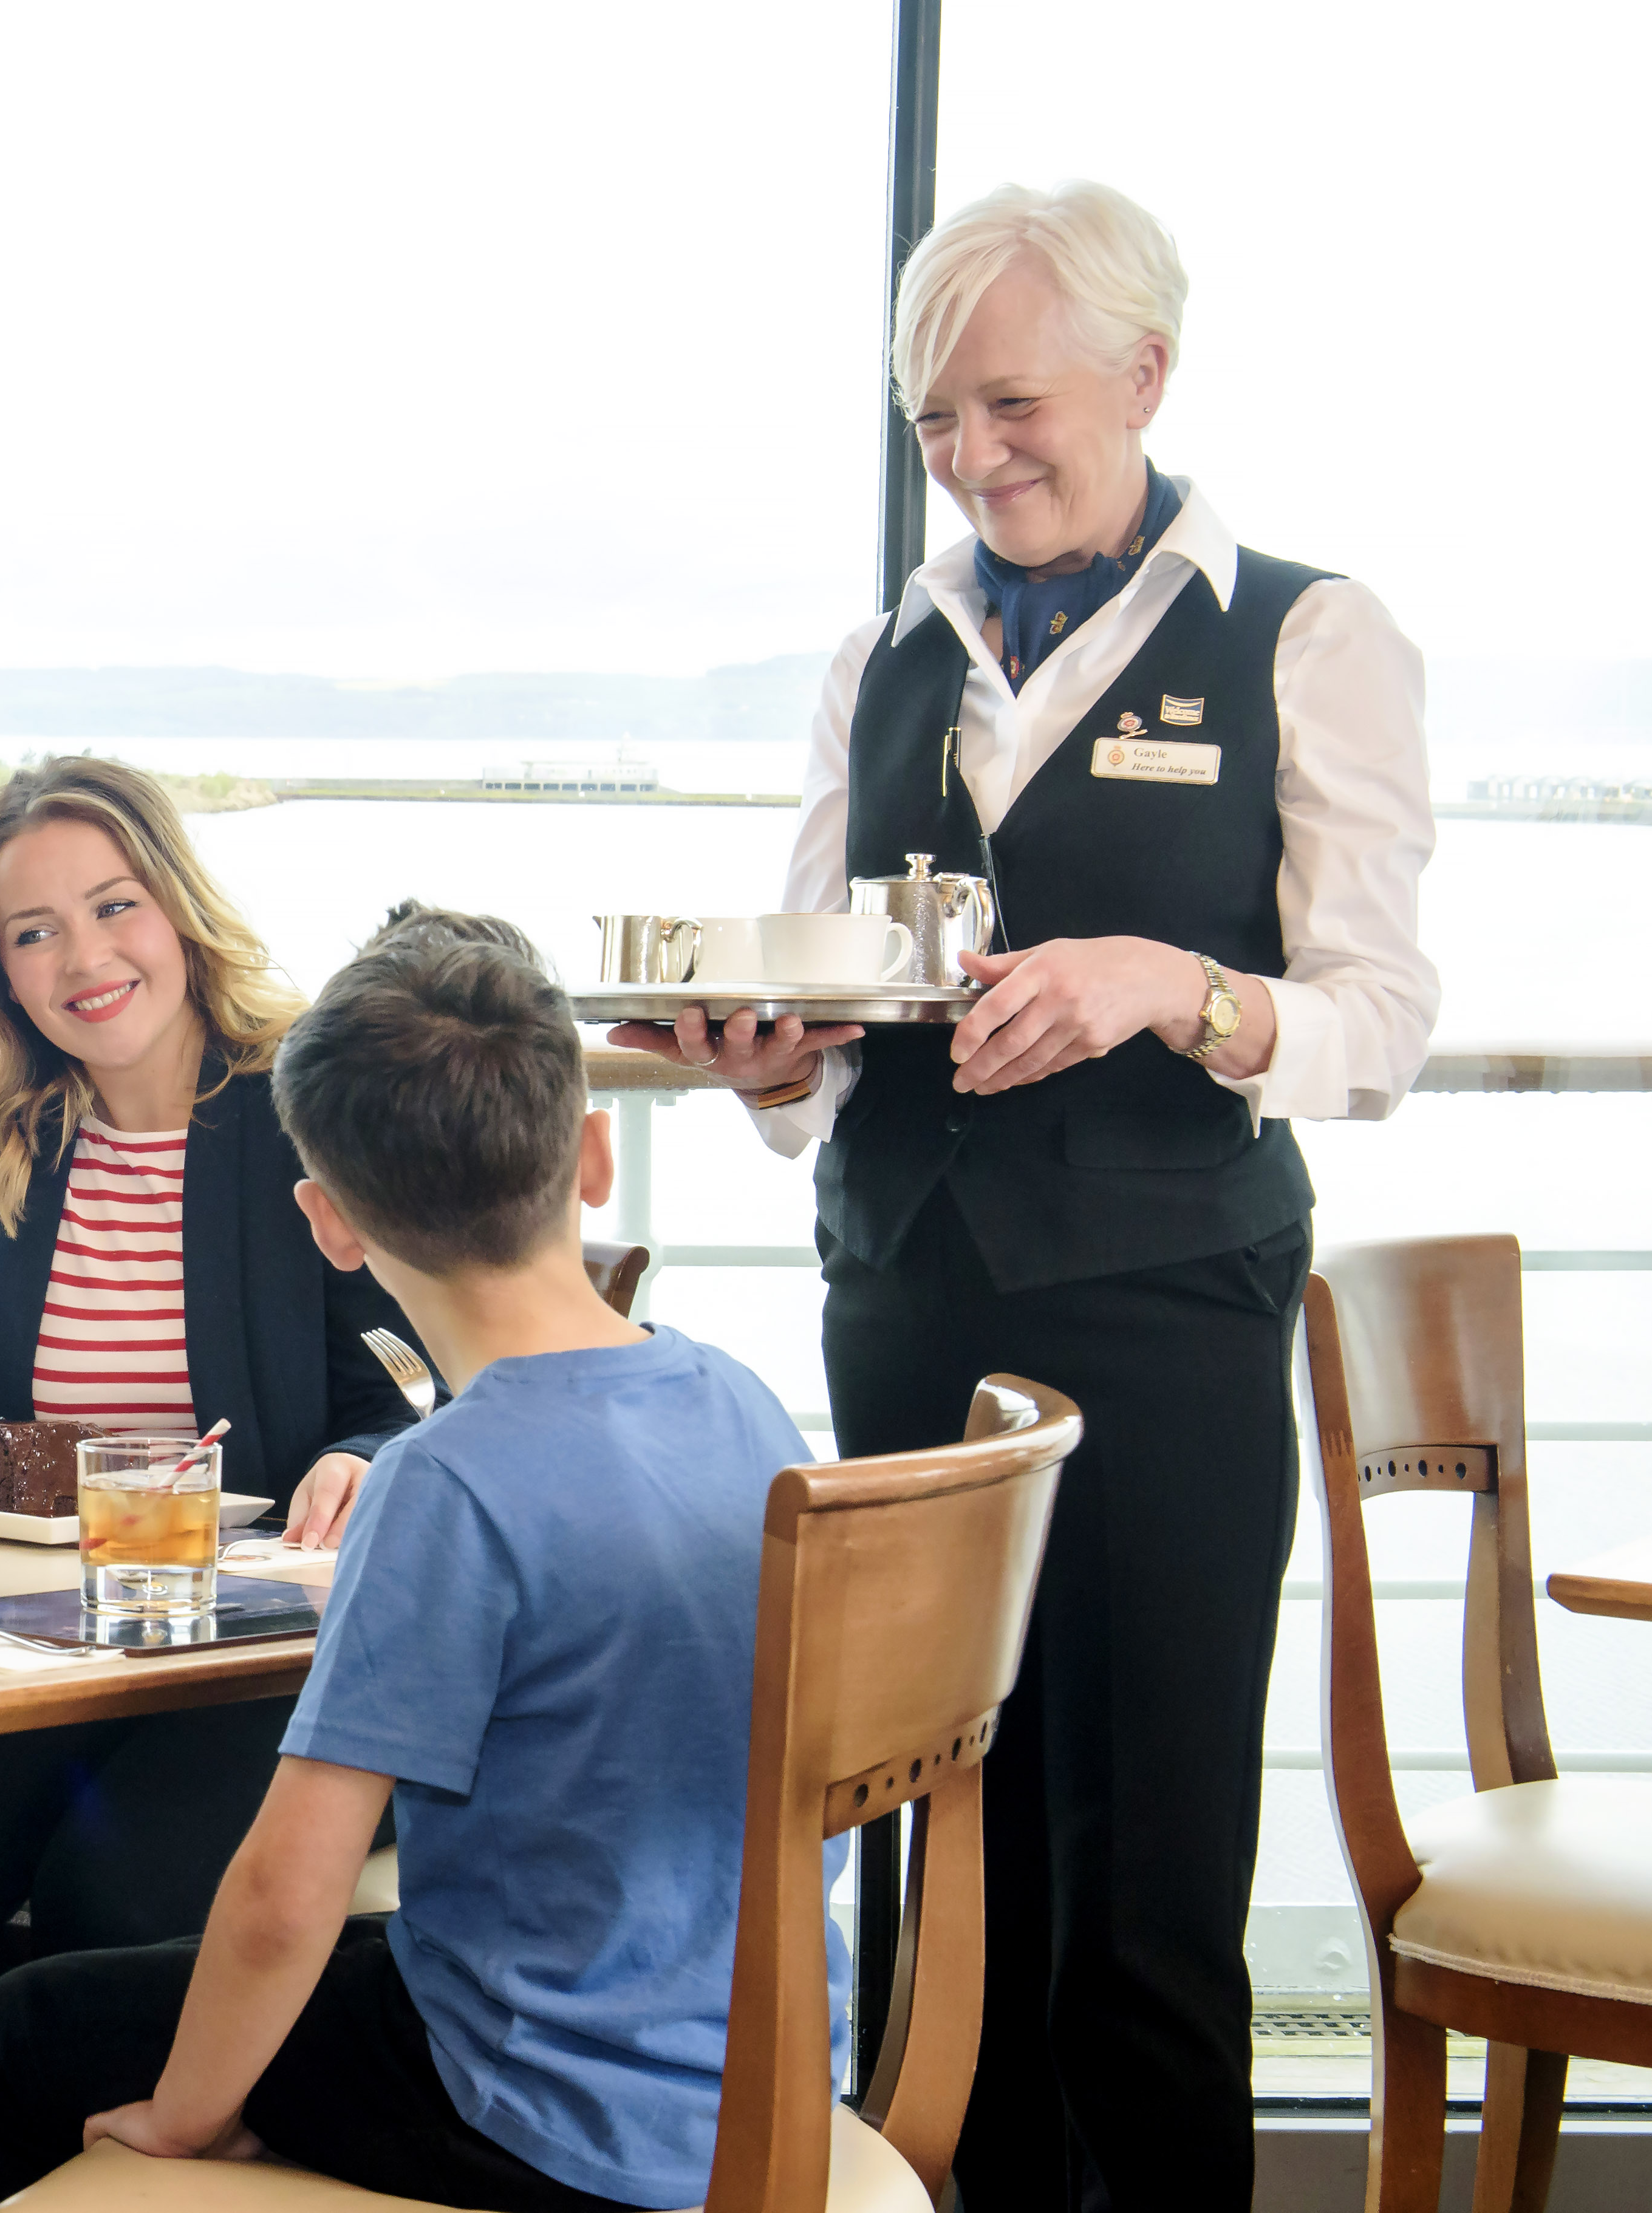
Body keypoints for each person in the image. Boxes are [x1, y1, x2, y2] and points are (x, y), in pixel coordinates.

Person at [612, 182, 1436, 2209]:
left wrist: (1175, 988)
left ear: (1141, 375)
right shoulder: (877, 656)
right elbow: (817, 999)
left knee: (1141, 1882)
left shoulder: (1304, 633)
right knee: (934, 1856)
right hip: (903, 1297)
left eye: (1006, 406)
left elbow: (1378, 1021)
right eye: (928, 425)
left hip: (1162, 1312)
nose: (969, 459)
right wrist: (763, 1063)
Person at [0, 904, 836, 2211]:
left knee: (28, 2026)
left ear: (327, 1221)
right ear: (592, 1157)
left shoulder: (444, 1481)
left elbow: (281, 1893)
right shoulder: (743, 1403)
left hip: (528, 2107)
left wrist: (186, 2121)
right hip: (763, 2070)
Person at [0, 757, 426, 2198]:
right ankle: (12, 2195)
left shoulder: (306, 1107)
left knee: (114, 1902)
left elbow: (417, 1383)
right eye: (32, 932)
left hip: (276, 1659)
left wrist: (356, 1457)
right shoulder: (0, 1138)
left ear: (177, 905)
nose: (82, 957)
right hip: (45, 1647)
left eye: (111, 905)